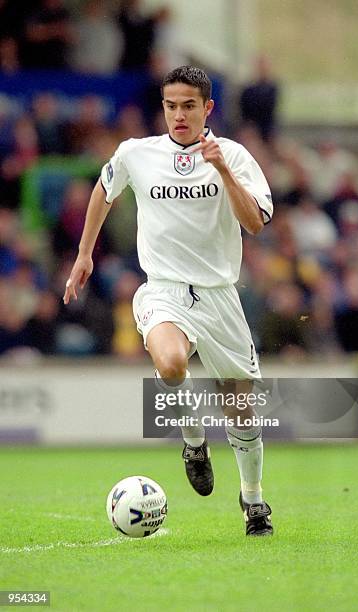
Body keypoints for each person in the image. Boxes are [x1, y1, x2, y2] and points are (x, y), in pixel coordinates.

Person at [63, 66, 274, 537]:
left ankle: (254, 500)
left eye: (189, 106)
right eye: (171, 106)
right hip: (163, 289)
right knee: (172, 363)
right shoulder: (137, 153)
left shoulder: (235, 157)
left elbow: (255, 223)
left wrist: (220, 167)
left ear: (208, 109)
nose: (178, 115)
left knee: (241, 409)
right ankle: (194, 441)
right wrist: (84, 254)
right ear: (163, 107)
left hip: (219, 295)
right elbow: (104, 188)